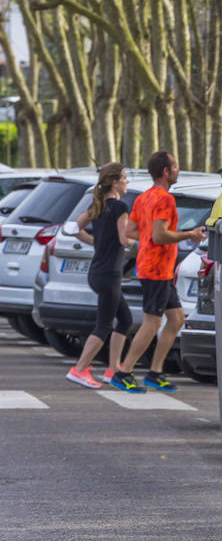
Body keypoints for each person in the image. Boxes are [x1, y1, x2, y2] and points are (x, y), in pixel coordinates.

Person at [110, 151, 206, 393]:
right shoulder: (164, 199)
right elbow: (160, 235)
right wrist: (189, 234)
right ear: (165, 171)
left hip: (153, 267)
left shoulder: (144, 198)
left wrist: (151, 237)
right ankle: (123, 372)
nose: (178, 169)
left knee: (176, 319)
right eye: (175, 165)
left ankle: (155, 372)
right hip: (156, 269)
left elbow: (132, 231)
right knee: (152, 324)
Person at [65, 163, 134, 389]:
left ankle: (112, 369)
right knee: (104, 324)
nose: (126, 182)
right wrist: (137, 240)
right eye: (124, 178)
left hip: (97, 272)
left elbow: (74, 228)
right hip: (109, 274)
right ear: (115, 183)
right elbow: (125, 240)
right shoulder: (120, 207)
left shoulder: (98, 205)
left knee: (125, 320)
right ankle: (80, 369)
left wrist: (96, 241)